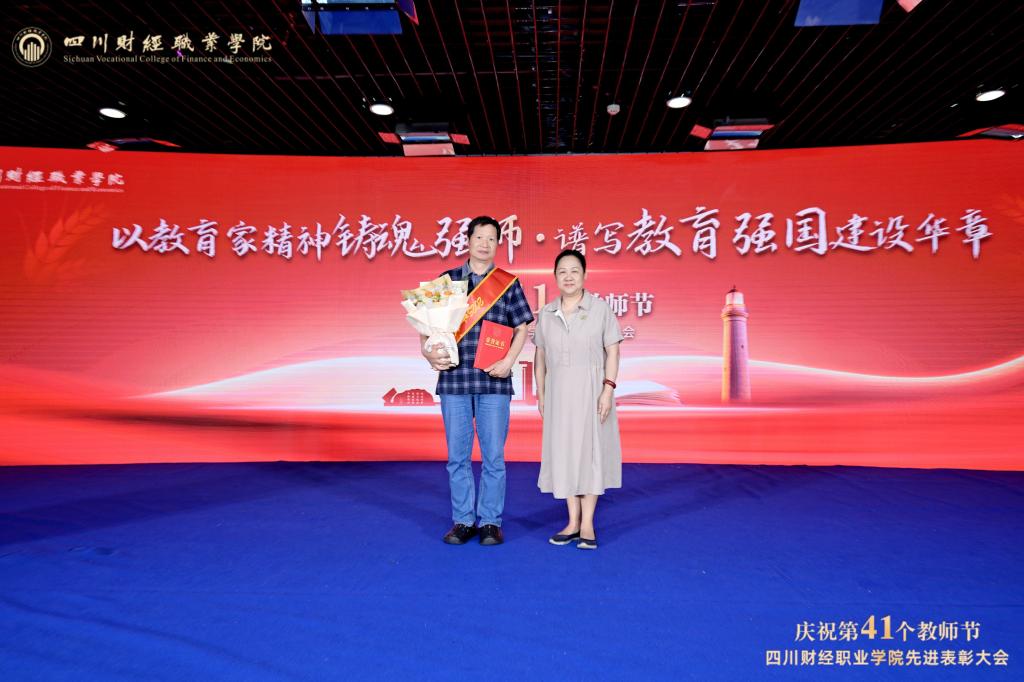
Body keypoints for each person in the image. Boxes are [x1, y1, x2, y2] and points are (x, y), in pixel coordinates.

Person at [421, 216, 534, 546]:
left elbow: (522, 327)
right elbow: (425, 327)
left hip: (494, 381)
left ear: (498, 244)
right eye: (479, 237)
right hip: (454, 380)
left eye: (491, 239)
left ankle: (490, 522)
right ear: (468, 240)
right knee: (457, 456)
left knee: (493, 457)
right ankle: (463, 521)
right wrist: (428, 354)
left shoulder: (508, 284)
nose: (485, 244)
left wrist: (509, 361)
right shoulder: (446, 281)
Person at [533, 249, 623, 550]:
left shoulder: (600, 309)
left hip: (592, 391)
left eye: (574, 271)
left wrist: (608, 389)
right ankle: (572, 522)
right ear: (555, 276)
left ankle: (588, 523)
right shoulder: (547, 314)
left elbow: (613, 351)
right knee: (565, 453)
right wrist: (541, 394)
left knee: (591, 453)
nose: (568, 276)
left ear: (584, 275)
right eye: (562, 271)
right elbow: (540, 356)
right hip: (558, 394)